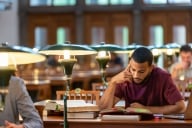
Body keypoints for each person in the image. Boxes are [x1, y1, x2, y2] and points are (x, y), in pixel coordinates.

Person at [99, 47, 185, 114]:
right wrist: (113, 82)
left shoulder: (163, 77)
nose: (136, 75)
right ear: (129, 64)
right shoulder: (125, 77)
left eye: (141, 71)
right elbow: (103, 109)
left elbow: (180, 107)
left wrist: (145, 109)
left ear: (151, 68)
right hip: (133, 124)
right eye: (133, 69)